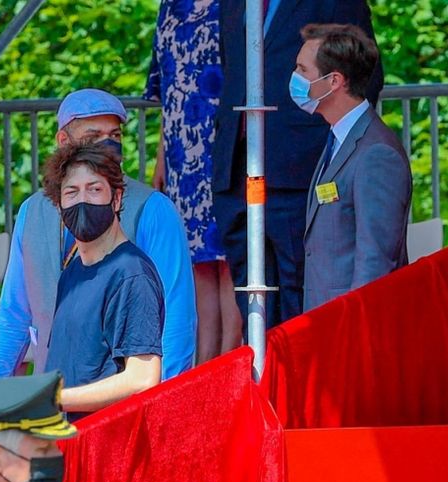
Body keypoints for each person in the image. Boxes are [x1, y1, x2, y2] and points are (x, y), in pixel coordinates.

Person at [0, 89, 195, 383]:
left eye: (115, 136)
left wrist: (162, 408)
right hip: (52, 407)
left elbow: (176, 322)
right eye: (93, 137)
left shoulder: (153, 209)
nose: (108, 146)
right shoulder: (32, 212)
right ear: (63, 142)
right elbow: (13, 316)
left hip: (122, 410)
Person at [212, 0, 384, 332]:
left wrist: (335, 150)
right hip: (237, 170)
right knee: (253, 302)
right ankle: (266, 381)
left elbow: (365, 75)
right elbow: (231, 69)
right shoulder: (232, 3)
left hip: (301, 168)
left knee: (300, 296)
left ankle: (304, 379)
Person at [144, 0, 242, 363]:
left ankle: (231, 358)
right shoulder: (170, 7)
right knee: (198, 260)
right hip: (182, 154)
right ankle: (204, 364)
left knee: (230, 255)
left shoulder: (234, 6)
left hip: (226, 144)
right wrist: (162, 157)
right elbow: (166, 91)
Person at [43, 143, 165, 419]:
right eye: (71, 192)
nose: (82, 200)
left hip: (108, 450)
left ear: (117, 198)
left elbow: (142, 378)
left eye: (95, 189)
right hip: (68, 448)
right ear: (59, 204)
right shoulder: (72, 272)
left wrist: (52, 399)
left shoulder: (131, 273)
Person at [295, 24, 412, 309]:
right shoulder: (338, 138)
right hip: (326, 320)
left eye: (303, 70)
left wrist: (352, 328)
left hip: (350, 328)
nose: (296, 79)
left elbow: (375, 261)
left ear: (334, 81)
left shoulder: (377, 153)